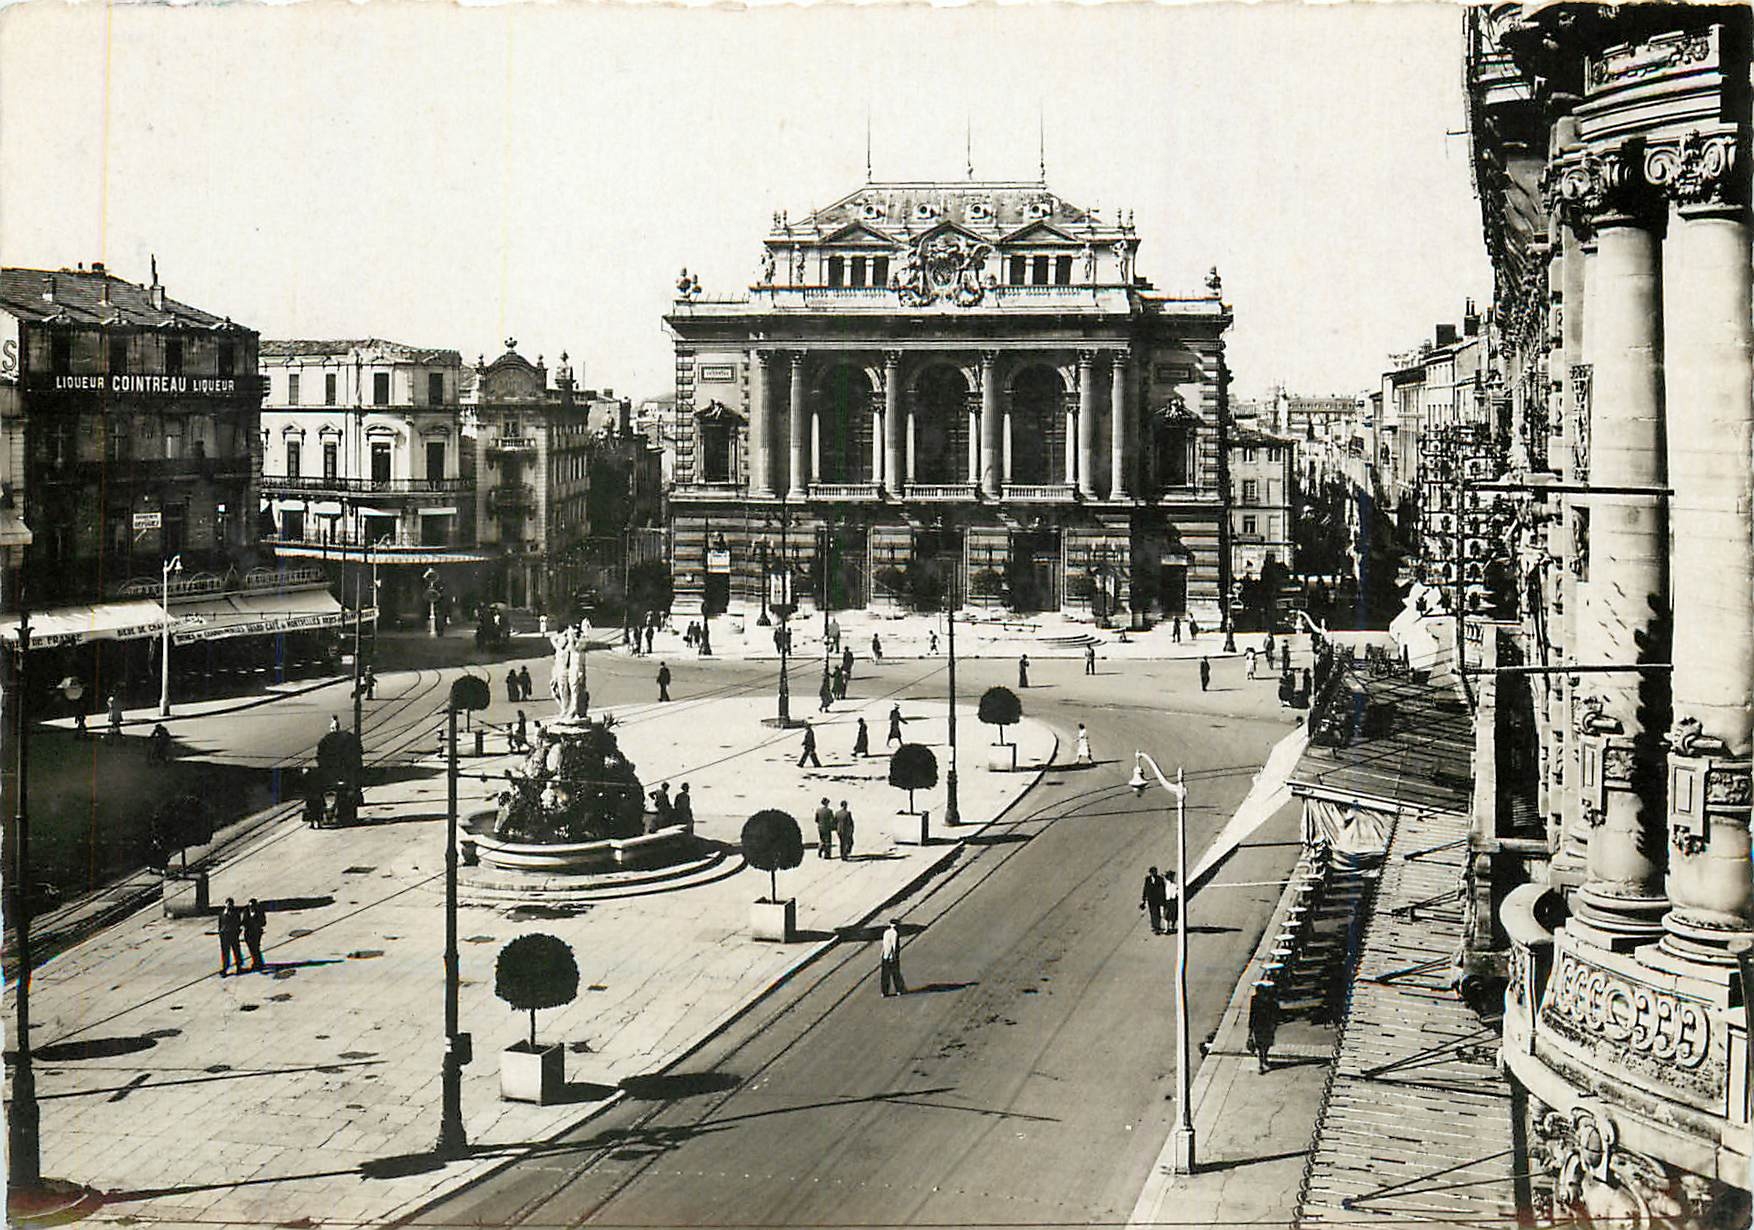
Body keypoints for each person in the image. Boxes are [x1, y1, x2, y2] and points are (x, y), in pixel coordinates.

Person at [1247, 980, 1280, 1073]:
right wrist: (1250, 1028)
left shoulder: (1271, 1001)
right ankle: (1261, 1062)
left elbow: (1275, 1013)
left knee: (1266, 1044)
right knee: (1260, 1045)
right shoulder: (1254, 999)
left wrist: (1274, 1024)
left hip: (1267, 1025)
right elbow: (1252, 1013)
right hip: (1258, 1025)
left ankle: (1264, 1057)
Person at [217, 899, 245, 977]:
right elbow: (220, 925)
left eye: (230, 904)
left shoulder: (235, 914)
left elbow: (238, 924)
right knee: (225, 953)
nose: (229, 906)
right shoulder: (221, 913)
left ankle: (239, 967)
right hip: (224, 936)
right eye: (228, 904)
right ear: (225, 904)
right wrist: (220, 933)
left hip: (233, 935)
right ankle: (225, 968)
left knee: (236, 951)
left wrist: (236, 933)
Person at [879, 918, 906, 996]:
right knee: (896, 974)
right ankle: (899, 990)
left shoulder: (886, 932)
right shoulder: (895, 933)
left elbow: (884, 944)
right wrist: (893, 956)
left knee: (885, 975)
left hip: (885, 956)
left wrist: (883, 953)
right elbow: (894, 946)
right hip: (892, 957)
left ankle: (884, 992)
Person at [1140, 866, 1169, 934]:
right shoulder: (1147, 879)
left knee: (1157, 913)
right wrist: (1143, 899)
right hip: (1151, 899)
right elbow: (1145, 889)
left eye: (1155, 872)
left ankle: (1157, 926)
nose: (1154, 873)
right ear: (1150, 873)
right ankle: (1155, 927)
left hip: (1158, 899)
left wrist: (1163, 900)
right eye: (1153, 872)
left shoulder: (1160, 879)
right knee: (1152, 913)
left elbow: (1163, 890)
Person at [243, 898, 268, 972]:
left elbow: (263, 922)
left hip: (256, 933)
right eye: (250, 906)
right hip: (248, 933)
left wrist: (257, 923)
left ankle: (257, 963)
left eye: (253, 906)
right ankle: (258, 961)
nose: (251, 908)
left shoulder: (259, 912)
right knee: (251, 948)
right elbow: (244, 921)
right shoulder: (246, 911)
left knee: (256, 948)